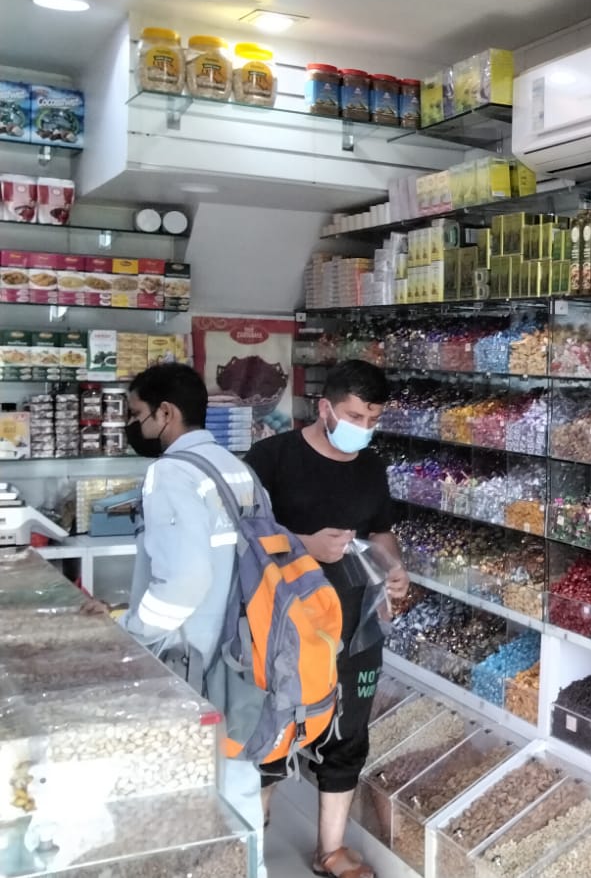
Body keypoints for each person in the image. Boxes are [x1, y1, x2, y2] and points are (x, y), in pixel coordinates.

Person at [87, 362, 267, 873]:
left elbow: (185, 580)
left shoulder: (170, 473)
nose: (133, 425)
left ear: (165, 413)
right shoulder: (236, 467)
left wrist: (131, 632)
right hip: (242, 650)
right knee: (237, 779)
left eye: (136, 414)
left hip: (191, 658)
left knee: (184, 788)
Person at [248, 359, 406, 878]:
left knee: (349, 730)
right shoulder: (272, 457)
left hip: (356, 619)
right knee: (274, 728)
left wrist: (394, 566)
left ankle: (331, 850)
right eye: (355, 416)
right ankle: (251, 845)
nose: (364, 427)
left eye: (373, 419)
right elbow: (242, 536)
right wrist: (304, 545)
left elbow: (380, 532)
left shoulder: (371, 466)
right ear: (324, 408)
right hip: (283, 623)